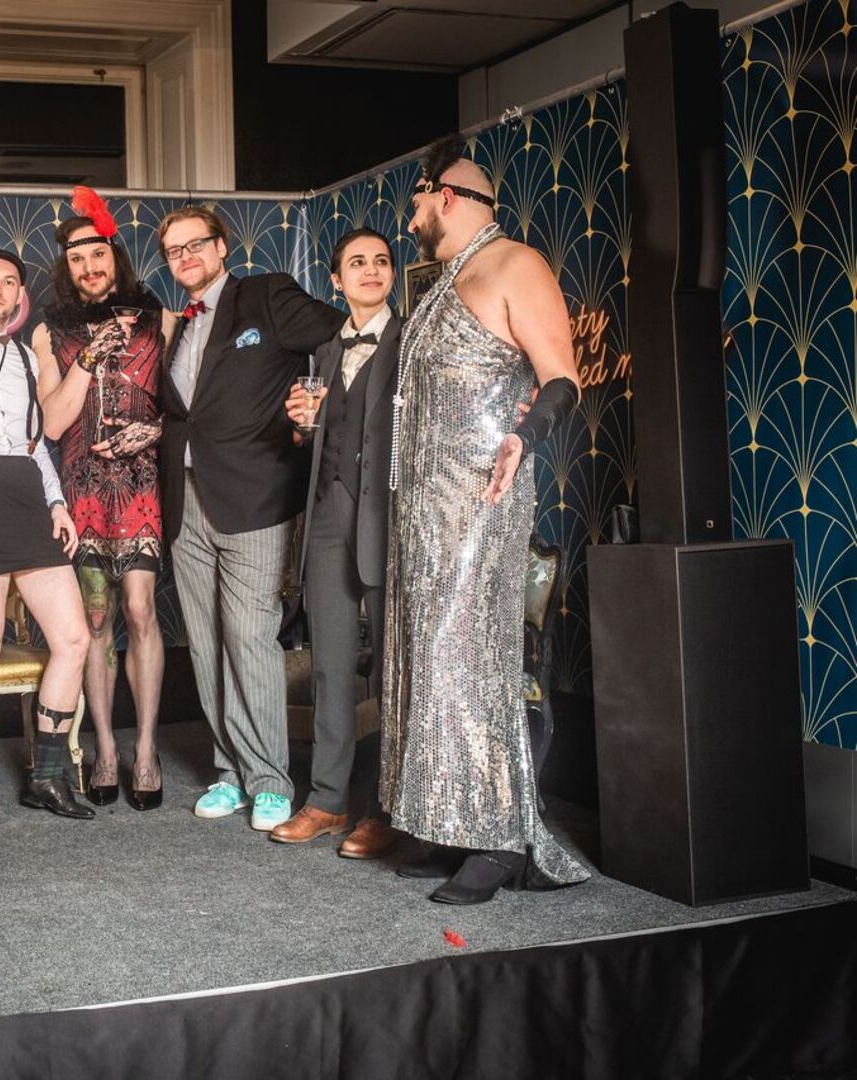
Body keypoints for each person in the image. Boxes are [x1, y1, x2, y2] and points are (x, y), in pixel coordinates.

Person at [382, 137, 588, 904]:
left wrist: (522, 437)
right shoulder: (444, 281)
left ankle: (499, 838)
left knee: (471, 658)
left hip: (481, 498)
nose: (408, 216)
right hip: (423, 509)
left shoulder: (513, 264)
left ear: (444, 195)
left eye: (414, 200)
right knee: (429, 661)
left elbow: (561, 375)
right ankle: (449, 820)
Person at [156, 206, 346, 833]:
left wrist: (316, 406)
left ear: (222, 247)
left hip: (256, 497)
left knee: (248, 637)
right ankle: (230, 772)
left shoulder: (265, 295)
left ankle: (270, 781)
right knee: (206, 642)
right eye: (174, 250)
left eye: (196, 245)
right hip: (186, 499)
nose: (186, 257)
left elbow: (340, 335)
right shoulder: (180, 325)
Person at [32, 188, 172, 810]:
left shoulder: (159, 320)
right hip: (81, 485)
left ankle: (146, 749)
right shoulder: (50, 331)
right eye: (77, 258)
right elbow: (54, 422)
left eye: (98, 254)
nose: (89, 267)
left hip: (141, 482)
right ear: (66, 267)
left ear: (115, 256)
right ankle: (106, 749)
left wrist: (154, 430)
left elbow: (182, 406)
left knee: (140, 611)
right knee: (94, 619)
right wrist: (88, 356)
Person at [0, 249, 92, 823]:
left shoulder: (30, 358)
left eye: (9, 282)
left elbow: (37, 444)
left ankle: (47, 778)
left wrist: (56, 502)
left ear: (20, 295)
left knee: (73, 640)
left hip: (29, 498)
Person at [271, 228, 403, 856]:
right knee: (329, 665)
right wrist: (302, 427)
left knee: (393, 670)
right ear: (336, 280)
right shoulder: (323, 352)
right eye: (357, 263)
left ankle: (389, 809)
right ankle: (327, 801)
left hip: (391, 520)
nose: (371, 271)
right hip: (327, 519)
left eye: (381, 261)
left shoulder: (412, 342)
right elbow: (318, 437)